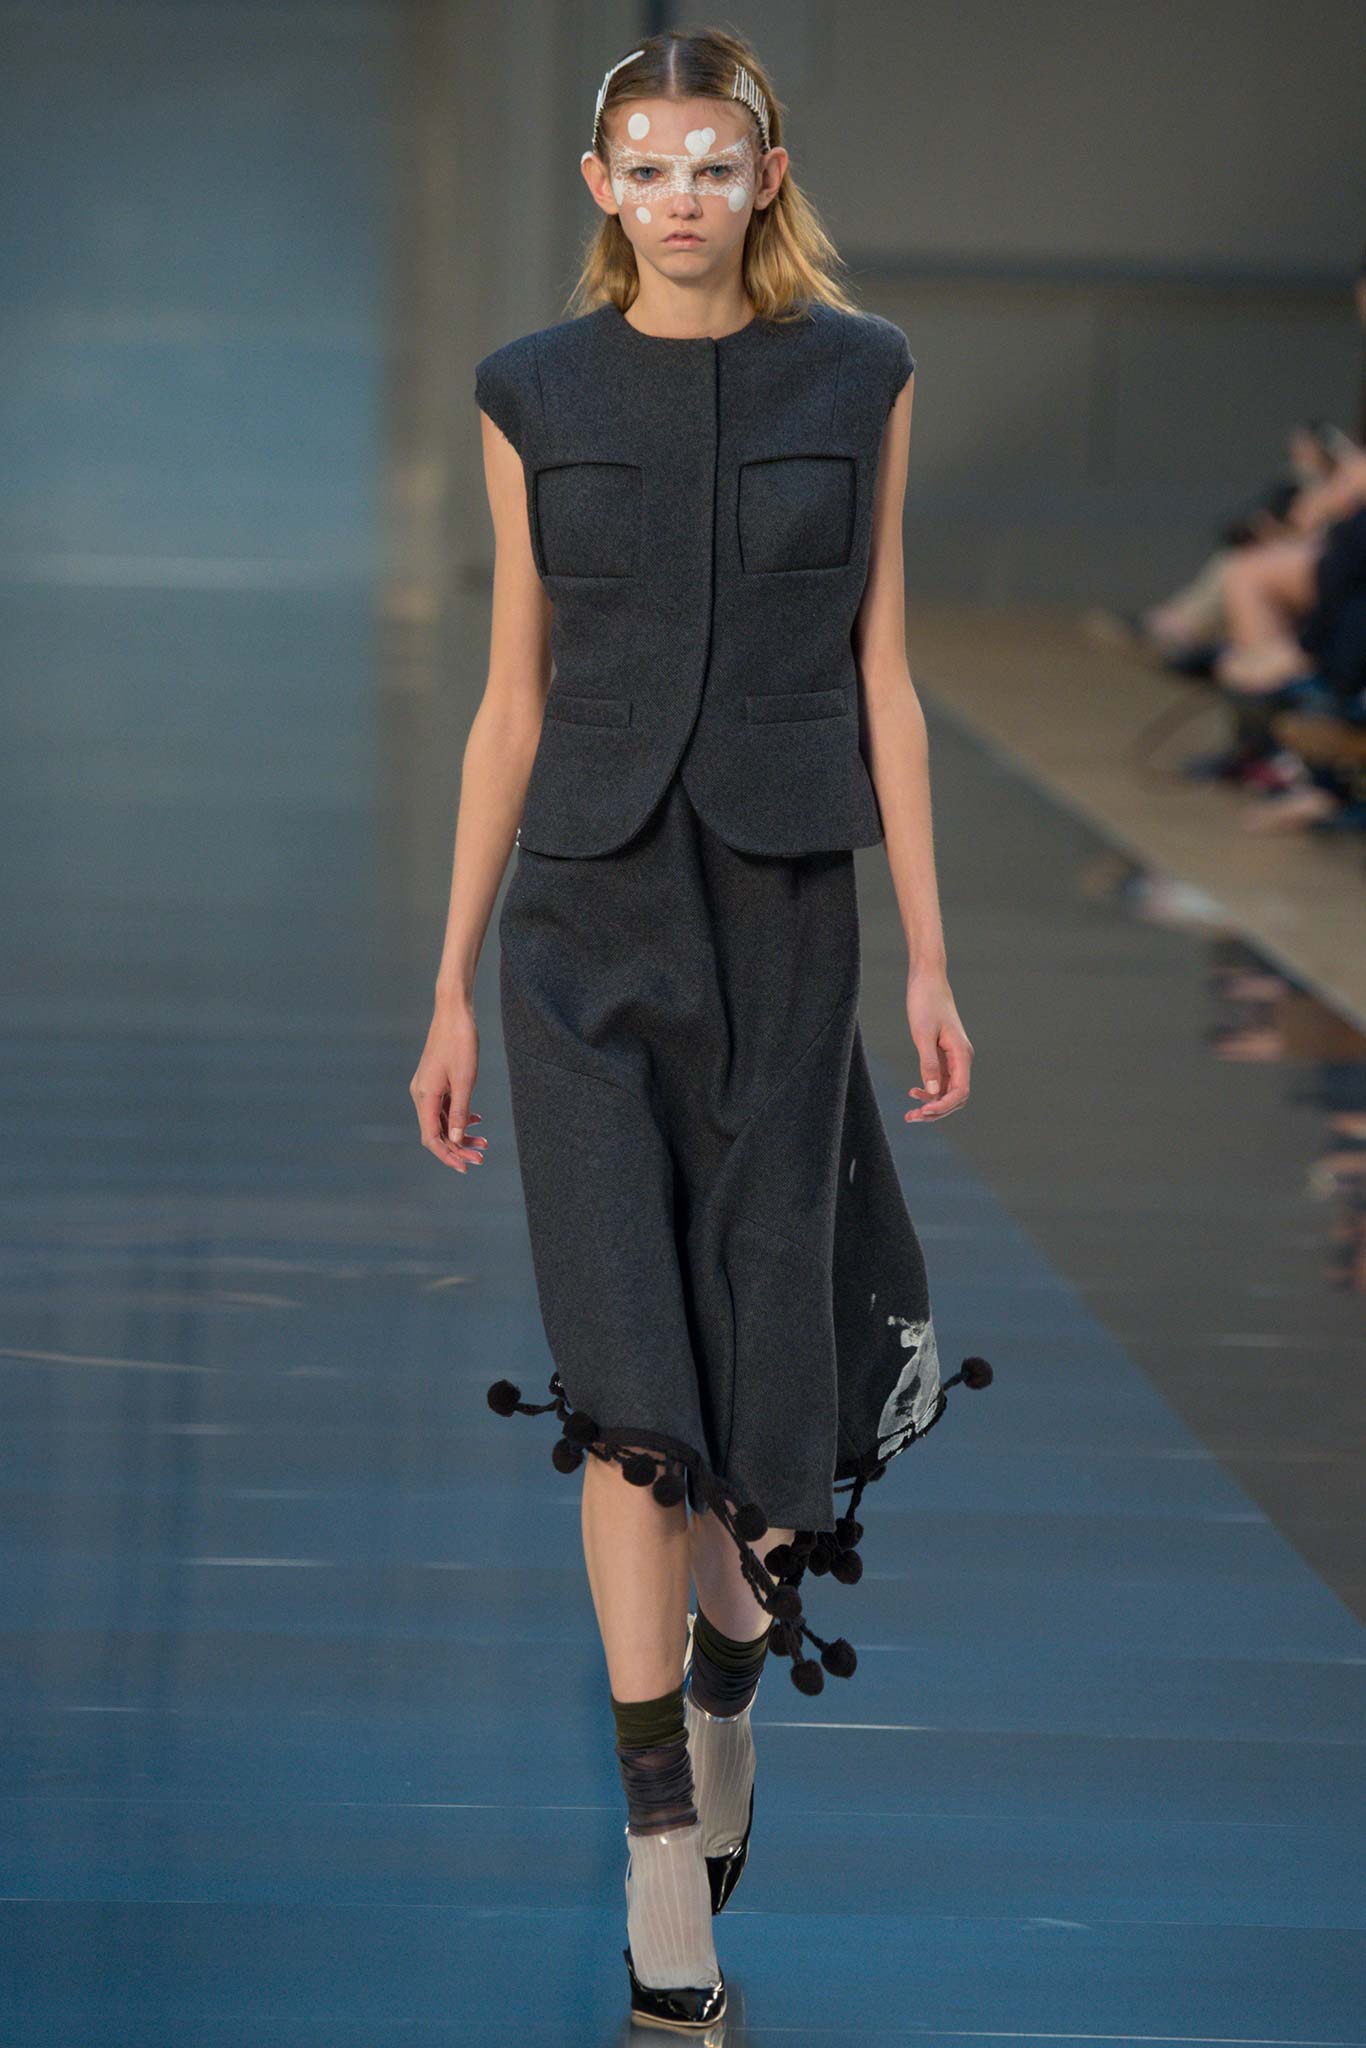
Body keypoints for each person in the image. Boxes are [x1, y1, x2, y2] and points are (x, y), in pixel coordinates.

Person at [409, 27, 995, 2031]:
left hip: (784, 916)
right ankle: (661, 1846)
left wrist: (928, 956)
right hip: (579, 922)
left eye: (711, 162)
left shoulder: (861, 372)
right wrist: (445, 980)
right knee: (625, 1397)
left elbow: (888, 676)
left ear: (764, 177)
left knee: (759, 1418)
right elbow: (510, 695)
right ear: (599, 186)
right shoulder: (530, 391)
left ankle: (732, 1679)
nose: (679, 195)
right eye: (645, 165)